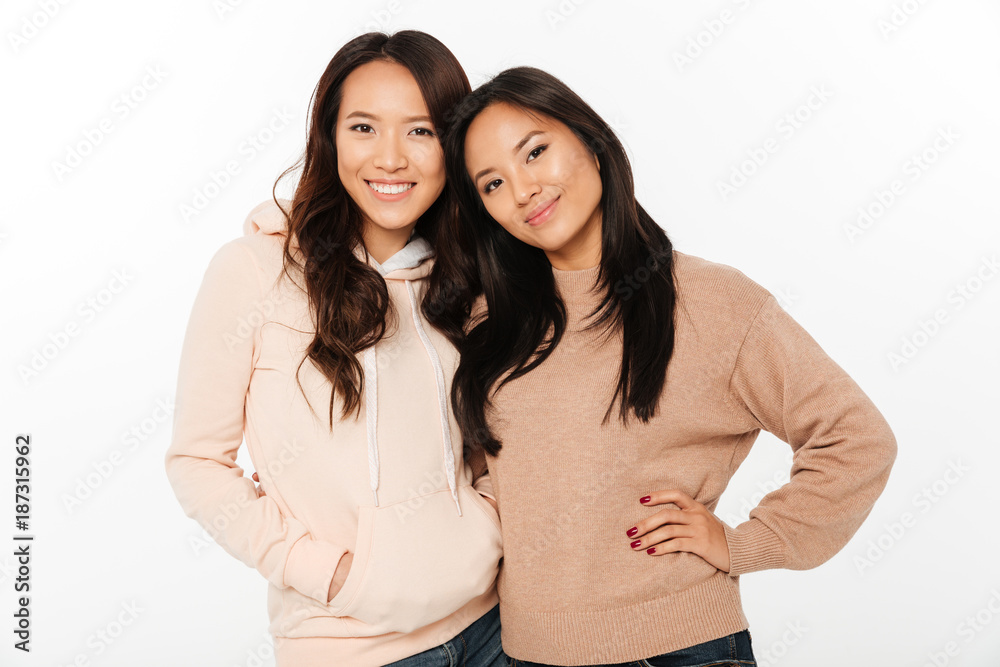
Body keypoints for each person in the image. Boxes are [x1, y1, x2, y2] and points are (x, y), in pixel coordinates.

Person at [427, 66, 898, 666]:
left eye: (535, 152)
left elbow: (857, 440)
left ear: (592, 142)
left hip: (679, 648)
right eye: (492, 183)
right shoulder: (490, 325)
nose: (522, 190)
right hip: (527, 651)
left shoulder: (711, 302)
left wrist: (747, 543)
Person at [164, 31, 507, 667]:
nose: (391, 158)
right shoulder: (253, 272)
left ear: (453, 146)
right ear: (330, 137)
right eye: (363, 128)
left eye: (421, 131)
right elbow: (197, 462)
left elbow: (494, 443)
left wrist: (484, 528)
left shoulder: (468, 279)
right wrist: (326, 572)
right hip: (347, 647)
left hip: (494, 629)